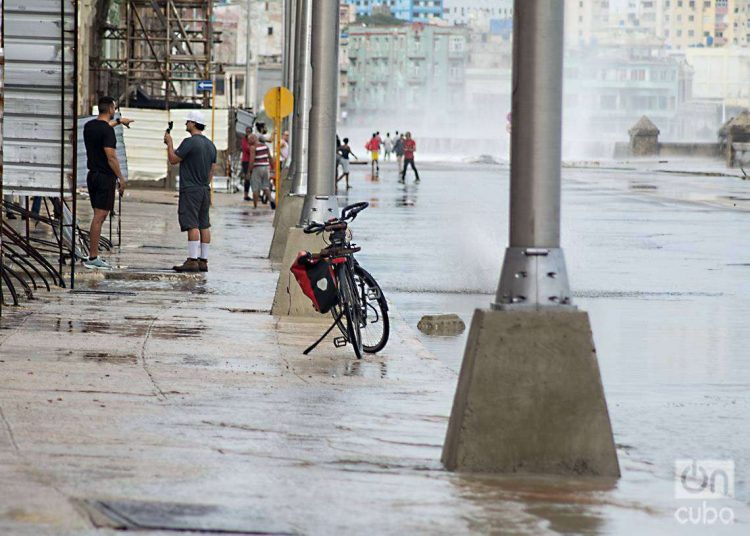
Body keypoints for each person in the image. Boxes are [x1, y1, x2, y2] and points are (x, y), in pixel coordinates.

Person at [82, 96, 133, 269]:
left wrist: (118, 122)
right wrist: (121, 177)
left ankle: (92, 254)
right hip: (105, 177)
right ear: (111, 108)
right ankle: (93, 257)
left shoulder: (89, 126)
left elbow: (103, 128)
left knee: (98, 215)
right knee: (100, 216)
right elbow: (111, 156)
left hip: (92, 176)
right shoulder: (106, 131)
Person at [164, 110, 217, 273]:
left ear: (193, 123)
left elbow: (173, 160)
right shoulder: (211, 145)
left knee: (192, 224)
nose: (186, 124)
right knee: (204, 224)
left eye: (188, 121)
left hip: (190, 189)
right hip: (204, 189)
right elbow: (212, 170)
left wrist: (169, 143)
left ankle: (192, 260)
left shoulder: (190, 142)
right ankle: (203, 261)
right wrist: (204, 184)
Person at [247, 133, 276, 210]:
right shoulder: (265, 146)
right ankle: (271, 200)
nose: (248, 141)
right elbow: (270, 157)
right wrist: (272, 168)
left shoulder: (253, 147)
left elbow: (252, 160)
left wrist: (249, 171)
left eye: (249, 140)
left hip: (257, 168)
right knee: (266, 186)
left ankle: (255, 206)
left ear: (253, 139)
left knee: (255, 187)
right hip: (266, 167)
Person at [241, 126, 253, 201]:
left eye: (249, 131)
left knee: (253, 178)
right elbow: (246, 148)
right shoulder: (244, 140)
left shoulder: (252, 140)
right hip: (246, 161)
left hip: (252, 161)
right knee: (247, 178)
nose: (248, 133)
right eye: (247, 131)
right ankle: (246, 194)